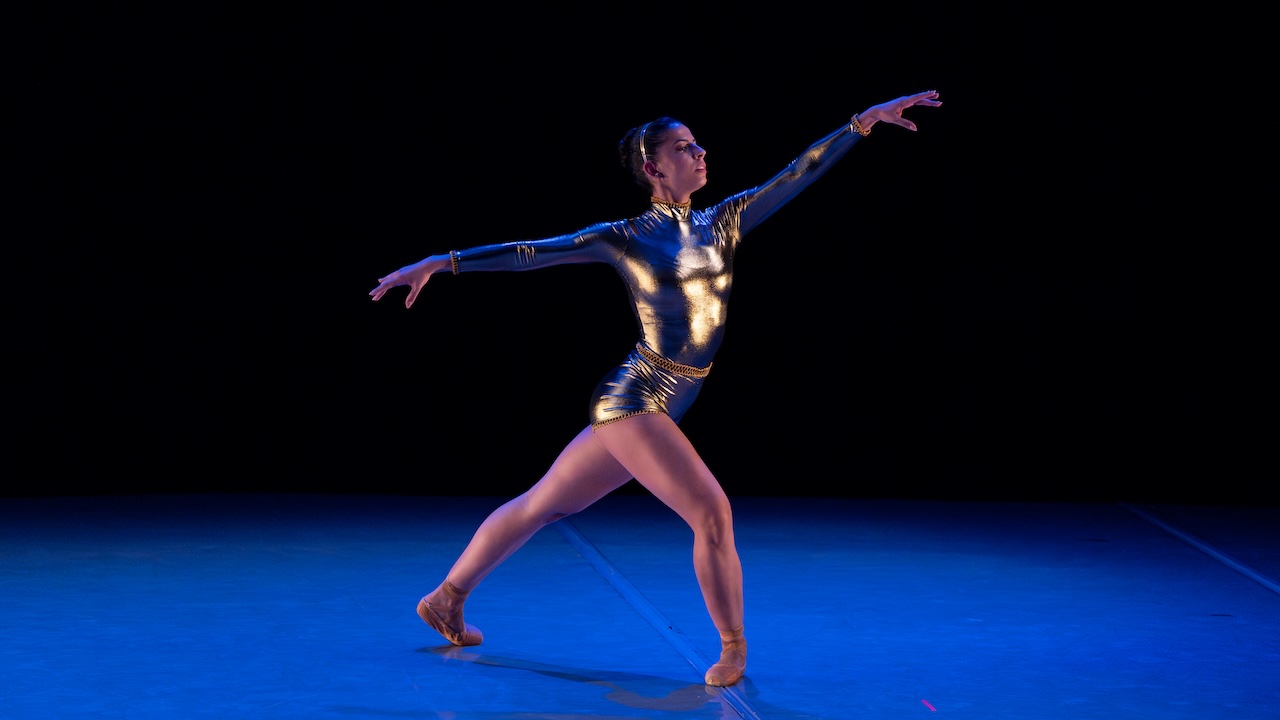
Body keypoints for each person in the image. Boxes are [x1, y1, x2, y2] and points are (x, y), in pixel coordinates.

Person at [369, 89, 942, 687]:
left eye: (697, 144)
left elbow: (798, 172)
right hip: (635, 399)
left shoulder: (724, 220)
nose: (699, 153)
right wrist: (444, 261)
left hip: (670, 399)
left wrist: (860, 124)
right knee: (711, 512)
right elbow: (529, 254)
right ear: (653, 168)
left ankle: (445, 598)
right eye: (683, 147)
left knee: (543, 503)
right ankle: (733, 646)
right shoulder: (623, 237)